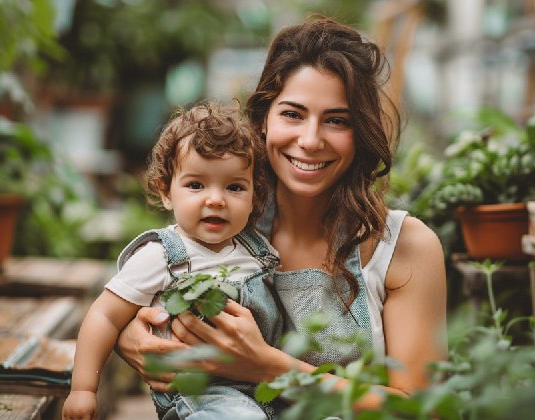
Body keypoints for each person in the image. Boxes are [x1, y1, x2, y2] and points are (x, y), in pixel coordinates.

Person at [116, 16, 448, 413]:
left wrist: (267, 367)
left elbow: (418, 410)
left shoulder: (405, 247)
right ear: (263, 120)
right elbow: (129, 297)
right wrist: (130, 337)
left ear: (361, 132)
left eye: (337, 120)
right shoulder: (220, 223)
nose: (310, 140)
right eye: (292, 114)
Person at [62, 102, 283, 420]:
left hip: (263, 387)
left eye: (235, 187)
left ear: (254, 197)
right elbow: (105, 316)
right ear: (166, 192)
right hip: (201, 395)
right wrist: (83, 388)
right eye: (196, 185)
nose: (216, 199)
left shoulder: (258, 251)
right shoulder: (162, 255)